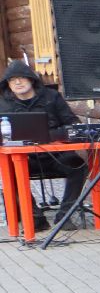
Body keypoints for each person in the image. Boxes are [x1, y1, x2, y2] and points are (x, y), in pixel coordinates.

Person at [0, 59, 84, 227]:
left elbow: (72, 124)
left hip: (55, 155)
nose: (17, 82)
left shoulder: (51, 97)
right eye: (12, 79)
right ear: (8, 84)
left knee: (78, 166)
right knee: (9, 171)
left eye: (22, 78)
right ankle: (35, 218)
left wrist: (49, 136)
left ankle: (65, 216)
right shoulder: (2, 103)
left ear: (31, 79)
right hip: (24, 159)